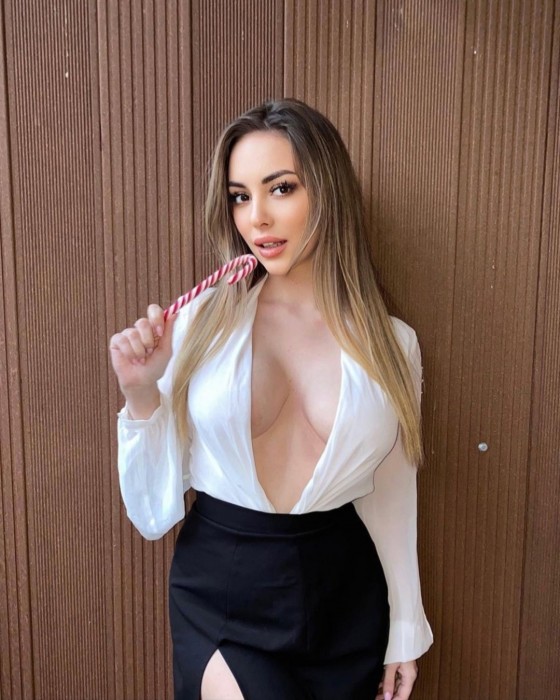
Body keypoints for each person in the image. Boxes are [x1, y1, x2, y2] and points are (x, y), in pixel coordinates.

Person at [109, 98, 433, 700]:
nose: (256, 218)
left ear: (328, 192)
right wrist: (140, 391)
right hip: (224, 595)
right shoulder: (200, 325)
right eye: (239, 196)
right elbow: (154, 512)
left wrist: (405, 628)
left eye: (280, 188)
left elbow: (391, 492)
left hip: (344, 594)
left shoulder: (393, 345)